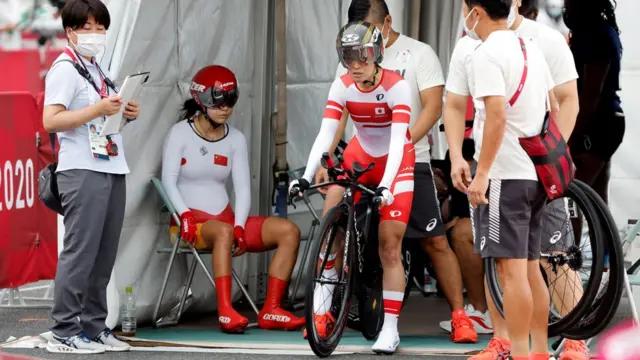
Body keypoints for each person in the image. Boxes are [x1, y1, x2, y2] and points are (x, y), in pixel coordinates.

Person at [316, 0, 479, 343]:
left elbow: (434, 106)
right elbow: (338, 113)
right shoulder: (350, 58)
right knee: (337, 221)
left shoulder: (418, 54)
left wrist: (400, 143)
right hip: (364, 159)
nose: (360, 46)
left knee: (434, 240)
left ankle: (460, 314)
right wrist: (324, 158)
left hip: (411, 157)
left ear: (388, 22)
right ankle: (325, 309)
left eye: (372, 30)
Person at [445, 0, 586, 359]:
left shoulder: (485, 53)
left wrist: (483, 173)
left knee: (512, 275)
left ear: (475, 12)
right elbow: (553, 106)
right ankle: (538, 351)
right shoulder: (529, 46)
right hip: (534, 174)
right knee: (530, 268)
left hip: (504, 176)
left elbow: (495, 118)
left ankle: (521, 354)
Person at [289, 21, 415, 354]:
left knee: (390, 246)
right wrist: (305, 174)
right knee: (332, 211)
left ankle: (390, 329)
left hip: (395, 162)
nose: (356, 65)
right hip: (361, 155)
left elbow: (400, 141)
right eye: (348, 57)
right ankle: (323, 307)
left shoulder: (397, 86)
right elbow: (325, 133)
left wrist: (387, 185)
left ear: (377, 54)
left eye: (363, 56)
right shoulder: (342, 85)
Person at [162, 65, 305, 334]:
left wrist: (240, 225)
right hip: (189, 226)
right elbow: (168, 181)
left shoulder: (236, 138)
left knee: (289, 231)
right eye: (219, 103)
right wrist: (184, 216)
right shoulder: (179, 133)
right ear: (201, 102)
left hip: (226, 222)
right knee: (225, 232)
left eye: (231, 101)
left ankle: (272, 309)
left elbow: (243, 189)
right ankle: (226, 311)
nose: (226, 109)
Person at [42, 0, 140, 354]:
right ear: (70, 31)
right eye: (88, 28)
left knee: (104, 254)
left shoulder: (98, 67)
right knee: (80, 252)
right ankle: (63, 330)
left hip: (111, 164)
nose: (96, 35)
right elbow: (51, 120)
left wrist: (124, 113)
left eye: (101, 28)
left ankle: (94, 327)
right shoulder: (65, 68)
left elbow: (103, 119)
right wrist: (97, 109)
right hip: (82, 168)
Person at [565, 0, 624, 205]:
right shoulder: (597, 30)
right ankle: (606, 238)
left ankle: (571, 238)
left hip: (598, 123)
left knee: (573, 197)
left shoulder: (595, 34)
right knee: (597, 200)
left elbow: (591, 93)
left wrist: (573, 134)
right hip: (606, 120)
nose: (566, 7)